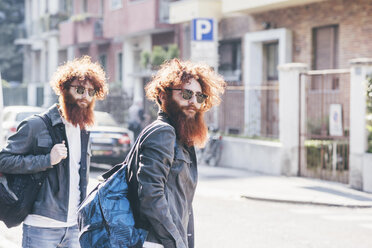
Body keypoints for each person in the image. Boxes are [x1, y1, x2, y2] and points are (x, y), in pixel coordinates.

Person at [0, 56, 108, 248]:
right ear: (63, 90)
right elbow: (4, 160)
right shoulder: (36, 125)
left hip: (75, 226)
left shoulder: (84, 131)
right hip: (41, 226)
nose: (86, 97)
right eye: (79, 90)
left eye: (91, 92)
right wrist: (46, 159)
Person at [127, 58, 225, 248]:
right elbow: (150, 196)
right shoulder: (163, 132)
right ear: (163, 95)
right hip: (155, 242)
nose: (193, 102)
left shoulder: (180, 136)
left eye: (200, 96)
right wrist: (176, 243)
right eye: (187, 93)